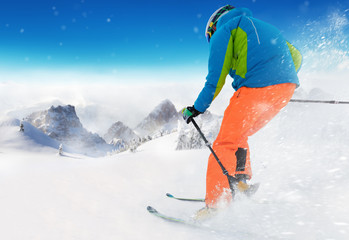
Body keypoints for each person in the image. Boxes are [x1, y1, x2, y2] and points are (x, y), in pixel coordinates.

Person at [182, 5, 302, 216]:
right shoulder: (267, 27)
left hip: (255, 89)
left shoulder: (225, 30)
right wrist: (279, 80)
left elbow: (215, 78)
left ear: (213, 26)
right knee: (239, 135)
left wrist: (196, 108)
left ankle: (215, 204)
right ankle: (240, 183)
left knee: (224, 143)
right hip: (285, 90)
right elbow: (297, 57)